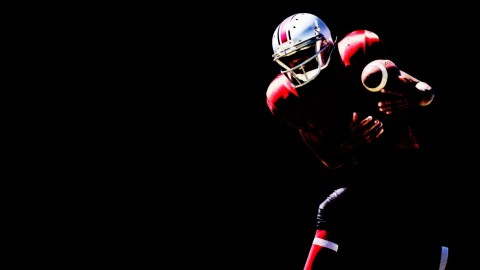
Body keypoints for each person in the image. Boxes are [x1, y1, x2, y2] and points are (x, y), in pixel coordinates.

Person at [266, 13, 461, 269]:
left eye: (302, 54)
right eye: (290, 59)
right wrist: (353, 141)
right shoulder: (286, 97)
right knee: (409, 244)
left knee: (338, 215)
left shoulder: (357, 54)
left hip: (402, 157)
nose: (297, 64)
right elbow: (330, 159)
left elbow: (427, 93)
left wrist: (410, 98)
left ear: (326, 43)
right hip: (365, 171)